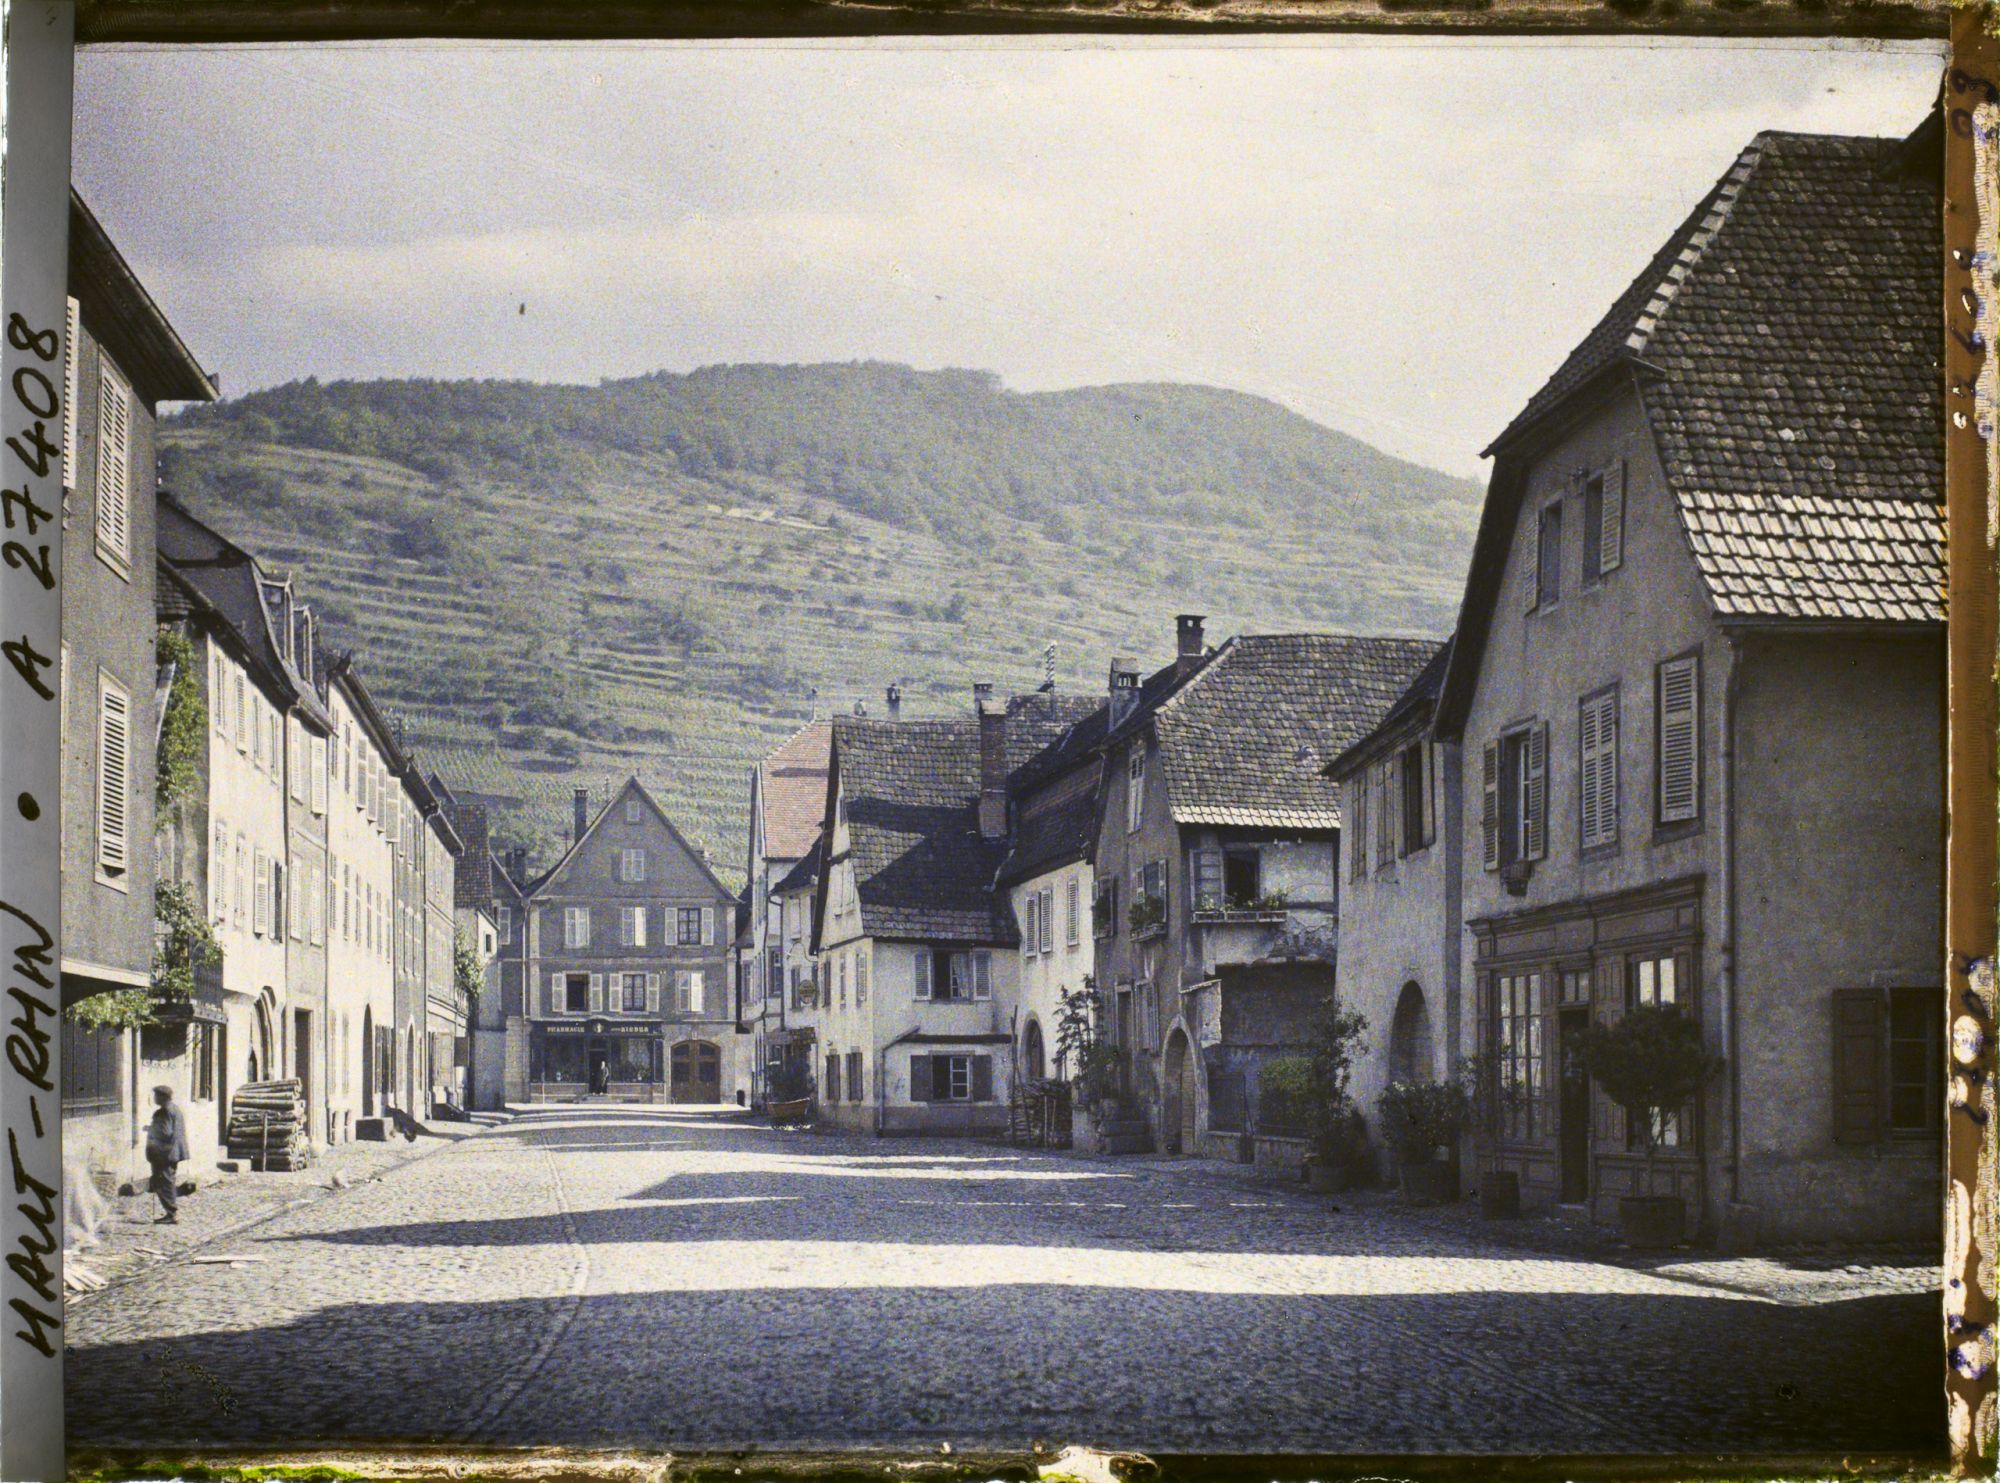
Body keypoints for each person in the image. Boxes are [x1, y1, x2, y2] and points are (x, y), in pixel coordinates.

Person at [145, 1085, 190, 1225]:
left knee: (164, 1183)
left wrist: (150, 1129)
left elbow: (165, 1132)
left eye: (156, 1095)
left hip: (164, 1153)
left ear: (163, 1097)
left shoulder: (164, 1111)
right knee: (168, 1181)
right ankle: (171, 1213)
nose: (154, 1098)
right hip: (173, 1152)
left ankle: (172, 1213)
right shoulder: (175, 1108)